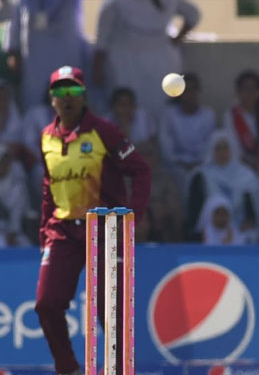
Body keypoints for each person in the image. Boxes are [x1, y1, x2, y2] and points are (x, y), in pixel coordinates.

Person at [34, 66, 150, 375]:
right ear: (52, 99)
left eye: (73, 92)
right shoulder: (46, 137)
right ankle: (68, 369)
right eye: (60, 92)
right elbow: (49, 187)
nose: (66, 98)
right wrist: (45, 231)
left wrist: (131, 217)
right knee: (46, 304)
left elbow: (140, 170)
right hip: (62, 230)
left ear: (84, 96)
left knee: (110, 311)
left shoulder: (104, 131)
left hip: (105, 227)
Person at [92, 0, 200, 119]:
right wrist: (97, 68)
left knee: (162, 106)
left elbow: (193, 14)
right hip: (126, 64)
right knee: (129, 107)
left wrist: (177, 39)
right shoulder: (116, 0)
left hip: (162, 63)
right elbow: (102, 39)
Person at [4, 0, 89, 110]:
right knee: (34, 103)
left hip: (65, 56)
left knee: (66, 102)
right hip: (34, 60)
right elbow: (15, 20)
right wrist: (13, 51)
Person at [186, 130, 259, 242]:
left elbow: (252, 212)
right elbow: (195, 213)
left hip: (240, 231)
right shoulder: (202, 176)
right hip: (210, 234)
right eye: (218, 148)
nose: (222, 153)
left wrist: (246, 225)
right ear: (211, 151)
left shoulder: (247, 177)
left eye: (226, 148)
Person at [158, 72, 216, 194]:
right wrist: (179, 162)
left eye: (193, 89)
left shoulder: (208, 114)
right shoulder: (169, 114)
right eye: (185, 90)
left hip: (201, 164)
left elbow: (210, 143)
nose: (189, 94)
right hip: (176, 165)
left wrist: (198, 162)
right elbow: (166, 143)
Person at [223, 70, 259, 178]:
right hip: (240, 162)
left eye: (253, 88)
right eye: (245, 88)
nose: (249, 92)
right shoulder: (231, 115)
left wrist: (257, 162)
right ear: (238, 91)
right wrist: (247, 163)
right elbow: (233, 142)